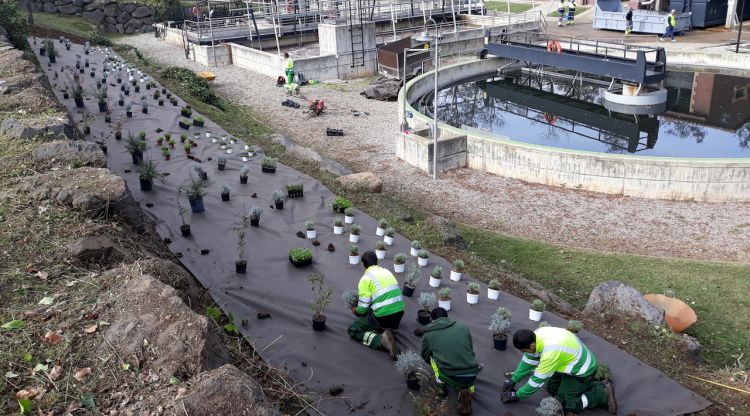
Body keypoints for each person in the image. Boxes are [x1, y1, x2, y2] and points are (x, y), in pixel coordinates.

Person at [501, 327, 617, 415]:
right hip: (566, 363)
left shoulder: (551, 352)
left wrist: (517, 395)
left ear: (531, 346)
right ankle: (591, 384)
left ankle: (602, 393)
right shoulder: (536, 335)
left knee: (565, 404)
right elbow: (529, 360)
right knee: (552, 389)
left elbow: (537, 380)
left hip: (582, 371)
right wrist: (514, 380)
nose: (523, 353)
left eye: (524, 350)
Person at [420, 307, 480, 415]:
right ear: (447, 318)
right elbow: (470, 349)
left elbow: (424, 355)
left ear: (432, 321)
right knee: (467, 357)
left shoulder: (428, 335)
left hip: (450, 374)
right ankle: (468, 390)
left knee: (432, 358)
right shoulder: (463, 328)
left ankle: (441, 387)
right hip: (472, 373)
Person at [347, 251, 405, 360]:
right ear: (377, 262)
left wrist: (356, 311)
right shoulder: (387, 272)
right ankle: (388, 330)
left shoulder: (365, 279)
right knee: (377, 310)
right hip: (399, 314)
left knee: (353, 329)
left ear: (363, 265)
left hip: (383, 317)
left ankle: (382, 340)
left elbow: (363, 308)